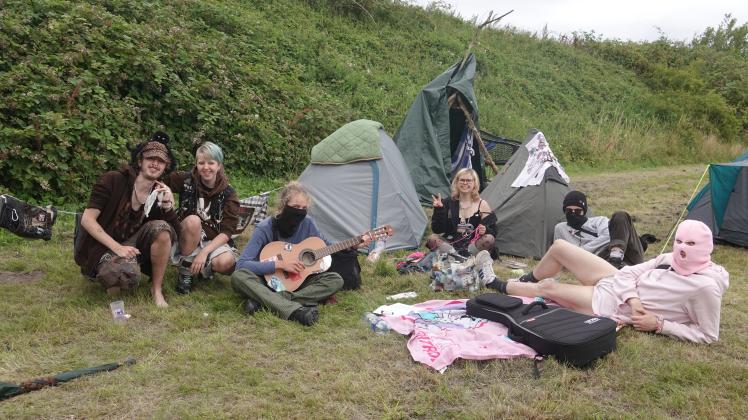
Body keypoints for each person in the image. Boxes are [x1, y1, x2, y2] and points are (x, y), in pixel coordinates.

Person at [483, 220, 729, 344]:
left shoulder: (705, 287)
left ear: (706, 248)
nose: (682, 248)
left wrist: (660, 324)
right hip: (618, 285)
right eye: (680, 241)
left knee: (550, 288)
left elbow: (708, 334)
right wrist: (632, 298)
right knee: (560, 247)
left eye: (691, 244)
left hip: (612, 305)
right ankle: (529, 278)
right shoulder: (669, 257)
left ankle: (498, 284)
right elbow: (627, 273)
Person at [231, 182, 367, 326]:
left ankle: (265, 301)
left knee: (335, 279)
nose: (299, 212)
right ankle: (296, 310)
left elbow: (325, 246)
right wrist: (279, 264)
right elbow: (242, 264)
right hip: (266, 281)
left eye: (304, 208)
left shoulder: (308, 223)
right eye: (296, 207)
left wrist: (352, 244)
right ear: (283, 205)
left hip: (298, 282)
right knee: (239, 277)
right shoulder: (265, 228)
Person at [75, 133, 179, 308]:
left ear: (165, 167)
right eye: (150, 158)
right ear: (140, 161)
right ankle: (112, 273)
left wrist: (168, 207)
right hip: (104, 244)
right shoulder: (112, 180)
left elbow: (176, 236)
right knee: (121, 275)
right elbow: (87, 220)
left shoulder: (159, 192)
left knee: (162, 229)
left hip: (134, 243)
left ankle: (156, 289)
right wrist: (118, 248)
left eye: (160, 161)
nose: (155, 164)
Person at [164, 141, 240, 294]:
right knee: (193, 220)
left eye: (211, 163)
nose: (206, 167)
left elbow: (227, 232)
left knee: (226, 262)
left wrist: (204, 253)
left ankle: (201, 268)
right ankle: (186, 271)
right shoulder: (185, 180)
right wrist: (166, 190)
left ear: (219, 166)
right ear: (196, 164)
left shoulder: (229, 194)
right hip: (188, 235)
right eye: (201, 163)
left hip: (213, 240)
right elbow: (159, 177)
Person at [554, 190, 645, 268]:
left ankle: (616, 258)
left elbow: (609, 236)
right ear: (564, 211)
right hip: (601, 261)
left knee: (620, 216)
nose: (573, 214)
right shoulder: (560, 228)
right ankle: (617, 267)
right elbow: (559, 252)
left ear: (584, 211)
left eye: (578, 211)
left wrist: (581, 251)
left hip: (626, 254)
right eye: (569, 211)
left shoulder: (599, 221)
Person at [427, 168, 498, 258]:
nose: (465, 183)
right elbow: (438, 230)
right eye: (462, 180)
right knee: (432, 238)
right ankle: (459, 257)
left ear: (474, 183)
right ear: (456, 182)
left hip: (473, 246)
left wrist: (485, 230)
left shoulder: (482, 204)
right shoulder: (448, 202)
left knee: (489, 239)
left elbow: (494, 231)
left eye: (468, 180)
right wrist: (439, 210)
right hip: (451, 244)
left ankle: (459, 257)